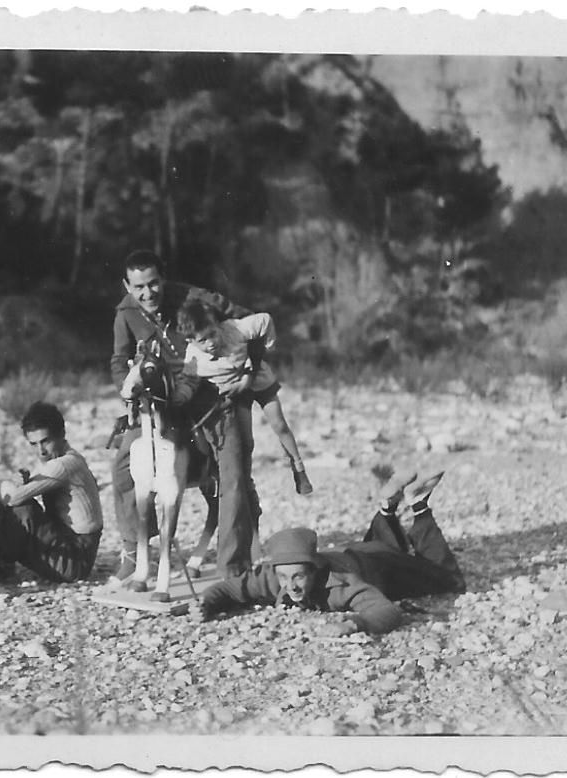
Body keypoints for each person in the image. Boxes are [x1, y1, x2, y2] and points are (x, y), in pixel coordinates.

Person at [109, 249, 260, 583]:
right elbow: (119, 361)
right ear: (127, 286)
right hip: (161, 404)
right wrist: (128, 389)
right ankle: (134, 551)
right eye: (138, 287)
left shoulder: (196, 299)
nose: (148, 293)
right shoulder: (125, 314)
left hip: (210, 398)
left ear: (164, 278)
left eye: (153, 283)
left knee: (232, 476)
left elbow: (250, 321)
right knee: (122, 469)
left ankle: (232, 568)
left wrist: (247, 371)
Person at [195, 471, 465, 634]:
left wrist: (356, 623)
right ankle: (386, 507)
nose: (291, 586)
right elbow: (229, 589)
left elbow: (387, 611)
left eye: (299, 577)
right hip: (357, 552)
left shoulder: (341, 586)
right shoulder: (272, 575)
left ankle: (418, 506)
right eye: (285, 578)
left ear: (314, 569)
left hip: (380, 564)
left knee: (448, 580)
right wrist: (206, 604)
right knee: (386, 545)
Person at [176, 298, 313, 496]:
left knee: (279, 424)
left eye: (213, 334)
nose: (211, 343)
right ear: (190, 341)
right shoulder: (193, 358)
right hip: (236, 393)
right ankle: (247, 485)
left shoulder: (234, 329)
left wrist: (266, 349)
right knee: (246, 442)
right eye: (203, 340)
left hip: (257, 378)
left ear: (217, 324)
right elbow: (187, 382)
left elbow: (265, 320)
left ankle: (298, 467)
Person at [0, 401, 103, 583]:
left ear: (61, 435)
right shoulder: (58, 459)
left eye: (46, 441)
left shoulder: (65, 464)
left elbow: (13, 497)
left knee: (18, 507)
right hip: (65, 543)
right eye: (34, 444)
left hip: (76, 559)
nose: (41, 451)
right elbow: (20, 488)